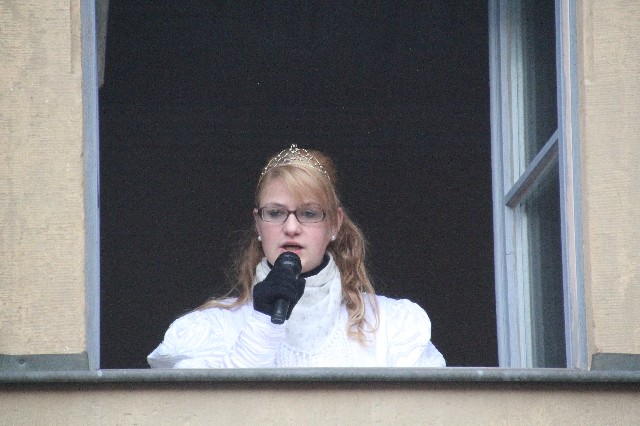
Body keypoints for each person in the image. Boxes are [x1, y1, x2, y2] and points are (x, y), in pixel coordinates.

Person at [148, 144, 446, 368]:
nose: (291, 227)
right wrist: (262, 325)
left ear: (335, 224)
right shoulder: (212, 328)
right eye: (275, 213)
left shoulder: (389, 327)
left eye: (309, 213)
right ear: (258, 224)